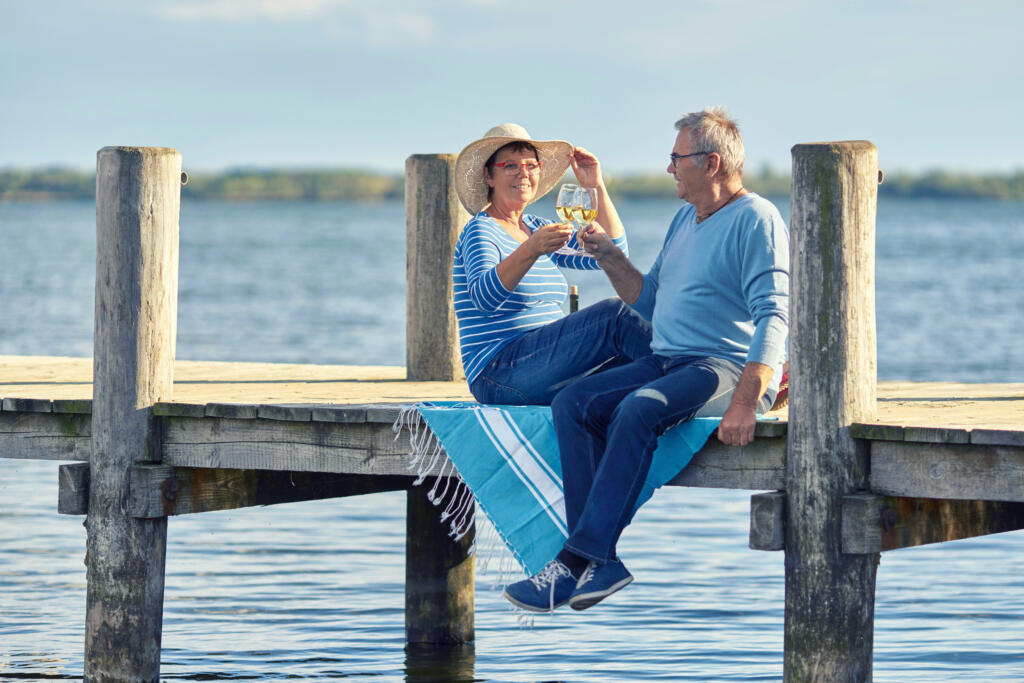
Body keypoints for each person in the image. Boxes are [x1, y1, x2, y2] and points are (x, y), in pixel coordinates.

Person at [503, 107, 790, 612]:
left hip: (721, 367)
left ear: (712, 163)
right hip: (668, 359)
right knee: (573, 401)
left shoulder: (757, 219)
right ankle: (600, 560)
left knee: (638, 408)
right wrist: (609, 257)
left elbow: (774, 317)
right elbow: (651, 299)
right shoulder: (685, 218)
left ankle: (574, 562)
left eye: (677, 158)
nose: (669, 168)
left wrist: (747, 401)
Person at [452, 123, 651, 406]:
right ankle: (693, 374)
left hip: (544, 369)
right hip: (498, 376)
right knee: (614, 314)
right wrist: (531, 250)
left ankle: (693, 382)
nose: (523, 173)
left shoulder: (535, 226)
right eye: (511, 165)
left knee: (631, 355)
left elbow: (615, 252)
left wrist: (595, 184)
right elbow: (484, 299)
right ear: (489, 175)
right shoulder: (481, 230)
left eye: (531, 165)